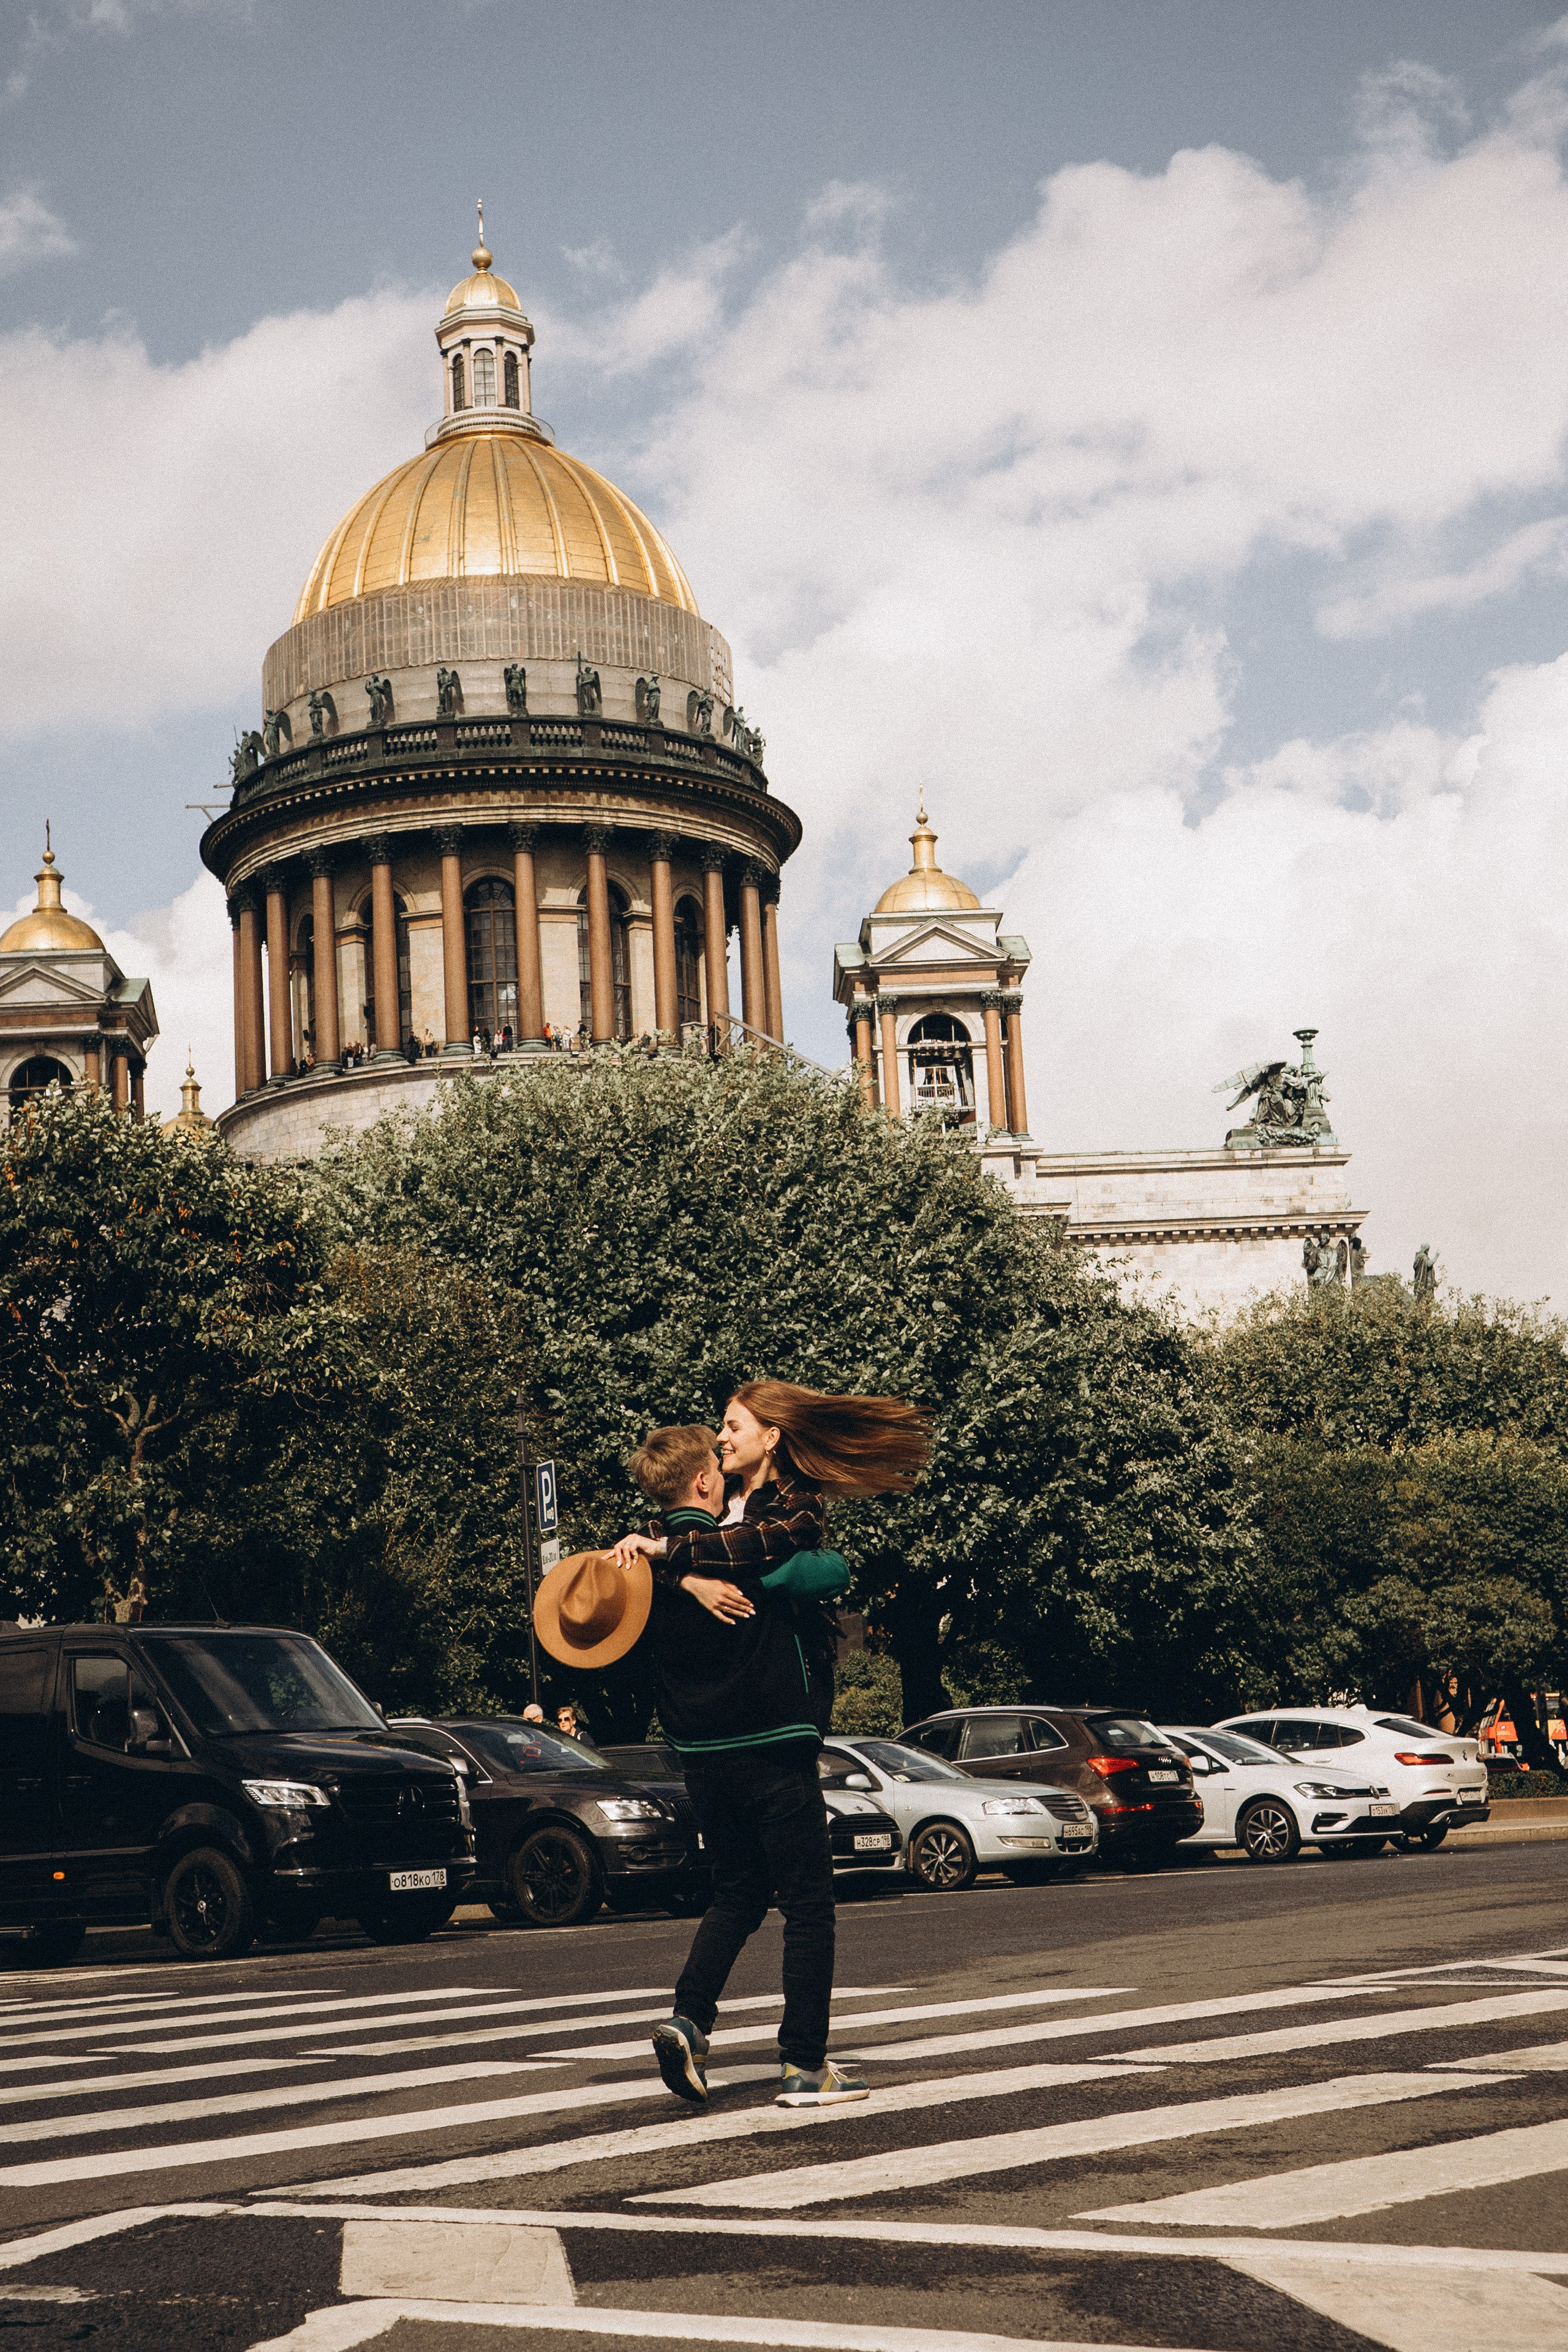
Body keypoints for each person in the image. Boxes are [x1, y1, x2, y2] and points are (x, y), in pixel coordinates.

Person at [614, 1383, 928, 2111]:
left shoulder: (788, 1507)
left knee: (739, 1891)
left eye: (733, 1427)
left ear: (771, 1439)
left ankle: (689, 2021)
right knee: (810, 1905)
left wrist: (675, 1559)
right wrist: (684, 1572)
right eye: (720, 1431)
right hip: (766, 1736)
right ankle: (803, 2065)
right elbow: (767, 1563)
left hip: (701, 1747)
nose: (723, 1439)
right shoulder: (706, 1525)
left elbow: (798, 1562)